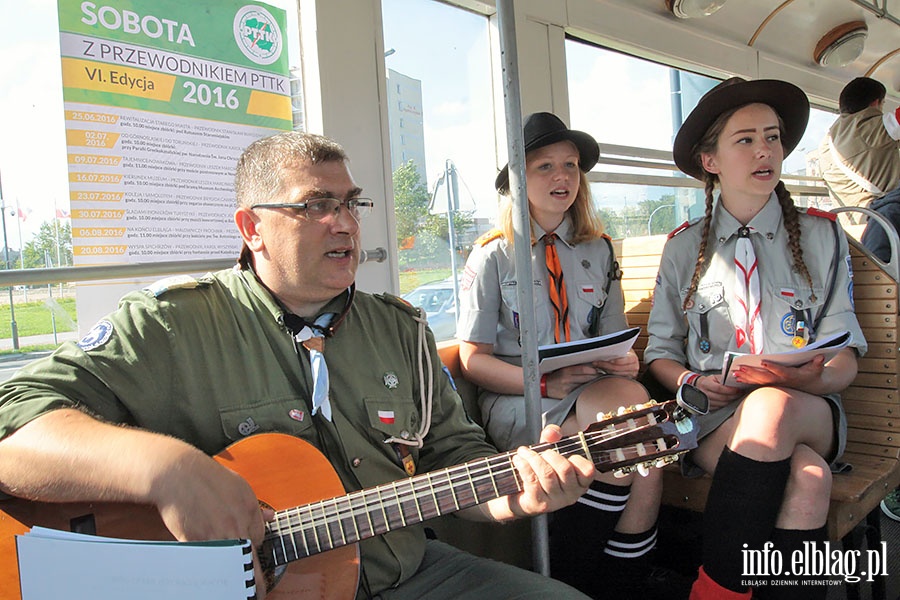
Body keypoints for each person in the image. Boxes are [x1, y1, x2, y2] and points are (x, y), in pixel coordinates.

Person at [0, 131, 596, 600]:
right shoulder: (170, 325)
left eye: (350, 204)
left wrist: (516, 495)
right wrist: (168, 470)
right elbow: (12, 427)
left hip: (408, 574)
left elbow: (455, 458)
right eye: (315, 205)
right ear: (252, 227)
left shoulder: (400, 328)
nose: (344, 222)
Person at [645, 77, 867, 600]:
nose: (765, 149)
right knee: (809, 481)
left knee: (771, 404)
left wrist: (811, 377)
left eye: (773, 137)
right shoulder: (682, 249)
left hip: (809, 410)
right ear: (711, 161)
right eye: (745, 139)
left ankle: (715, 591)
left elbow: (845, 358)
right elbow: (660, 353)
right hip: (717, 416)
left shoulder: (821, 234)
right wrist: (693, 381)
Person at [457, 112, 661, 599]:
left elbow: (614, 339)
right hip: (521, 400)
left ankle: (616, 587)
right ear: (518, 181)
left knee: (645, 444)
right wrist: (544, 383)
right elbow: (472, 361)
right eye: (544, 166)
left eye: (570, 165)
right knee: (627, 443)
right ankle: (577, 584)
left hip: (591, 391)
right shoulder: (492, 256)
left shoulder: (598, 250)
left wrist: (624, 362)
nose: (562, 177)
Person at [818, 76, 900, 262]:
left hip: (851, 221)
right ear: (875, 103)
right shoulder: (866, 127)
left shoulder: (829, 139)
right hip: (876, 219)